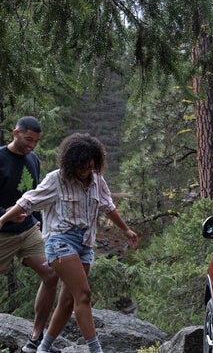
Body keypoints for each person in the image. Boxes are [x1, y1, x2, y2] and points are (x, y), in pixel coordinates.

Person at [0, 133, 139, 353]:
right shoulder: (57, 179)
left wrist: (126, 229)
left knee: (68, 301)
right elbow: (29, 200)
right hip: (60, 241)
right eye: (83, 166)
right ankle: (96, 350)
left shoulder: (97, 181)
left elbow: (108, 206)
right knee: (83, 294)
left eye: (91, 166)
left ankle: (43, 348)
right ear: (72, 162)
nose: (87, 170)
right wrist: (3, 219)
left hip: (85, 244)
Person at [0, 117, 60, 353]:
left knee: (52, 273)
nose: (32, 145)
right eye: (28, 139)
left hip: (28, 232)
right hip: (2, 233)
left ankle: (36, 339)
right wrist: (7, 214)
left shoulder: (33, 159)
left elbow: (36, 196)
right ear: (16, 132)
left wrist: (43, 226)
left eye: (36, 141)